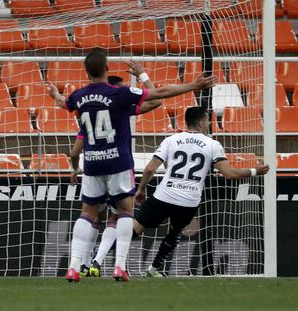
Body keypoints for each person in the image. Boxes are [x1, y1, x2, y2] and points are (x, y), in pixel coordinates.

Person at [47, 47, 216, 282]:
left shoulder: (78, 96)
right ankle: (119, 267)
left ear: (86, 71)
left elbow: (63, 103)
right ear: (107, 68)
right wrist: (192, 86)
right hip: (118, 163)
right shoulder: (120, 94)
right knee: (124, 212)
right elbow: (158, 94)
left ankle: (74, 266)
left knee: (87, 213)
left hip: (93, 164)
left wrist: (54, 94)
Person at [133, 106, 269, 277]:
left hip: (164, 196)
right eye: (207, 120)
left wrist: (141, 189)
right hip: (188, 201)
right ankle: (153, 270)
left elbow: (149, 169)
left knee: (135, 229)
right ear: (202, 123)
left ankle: (99, 261)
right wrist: (254, 171)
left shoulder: (171, 139)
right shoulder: (212, 144)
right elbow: (229, 174)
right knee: (175, 232)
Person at [71, 69, 161, 278]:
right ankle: (100, 262)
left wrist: (75, 169)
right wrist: (143, 75)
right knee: (118, 215)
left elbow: (75, 150)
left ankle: (83, 264)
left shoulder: (87, 114)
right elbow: (156, 100)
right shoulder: (122, 109)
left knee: (92, 215)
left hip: (93, 169)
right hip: (119, 167)